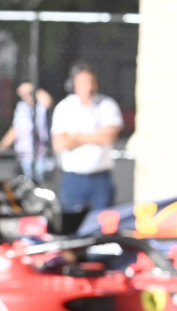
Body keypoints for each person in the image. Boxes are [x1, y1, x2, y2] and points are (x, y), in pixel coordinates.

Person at [51, 62, 123, 213]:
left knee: (102, 228)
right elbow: (59, 143)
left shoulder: (107, 105)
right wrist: (96, 136)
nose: (88, 87)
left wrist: (76, 137)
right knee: (72, 227)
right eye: (83, 83)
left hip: (101, 179)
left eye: (91, 82)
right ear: (73, 84)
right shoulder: (64, 107)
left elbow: (109, 137)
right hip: (74, 179)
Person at [0, 82, 53, 183]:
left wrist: (32, 89)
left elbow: (48, 100)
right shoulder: (21, 108)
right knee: (28, 184)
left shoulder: (41, 106)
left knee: (40, 184)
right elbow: (15, 131)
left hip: (41, 155)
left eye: (28, 93)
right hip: (25, 155)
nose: (25, 96)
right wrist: (0, 147)